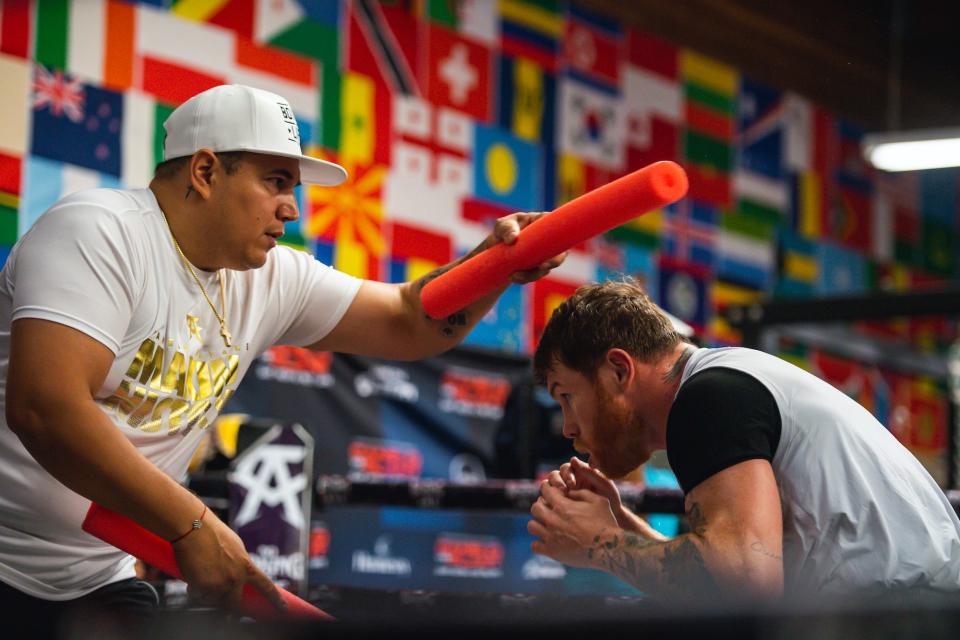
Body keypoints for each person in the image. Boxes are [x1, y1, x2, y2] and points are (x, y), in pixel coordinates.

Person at [0, 84, 565, 622]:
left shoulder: (271, 278)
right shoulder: (99, 232)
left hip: (96, 574)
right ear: (205, 171)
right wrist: (193, 525)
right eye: (275, 182)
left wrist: (495, 265)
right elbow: (45, 408)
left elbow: (410, 321)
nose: (291, 209)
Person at [527, 278, 960, 604]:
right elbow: (734, 571)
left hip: (907, 612)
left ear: (619, 371)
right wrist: (621, 527)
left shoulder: (707, 399)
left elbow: (746, 587)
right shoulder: (723, 381)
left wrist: (600, 544)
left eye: (567, 396)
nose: (567, 426)